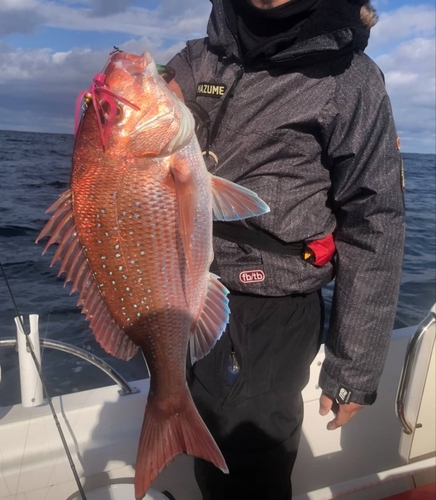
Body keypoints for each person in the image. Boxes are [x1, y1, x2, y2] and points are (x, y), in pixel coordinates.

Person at [168, 0, 405, 498]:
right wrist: (104, 107)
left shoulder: (349, 78)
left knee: (246, 472)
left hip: (269, 311)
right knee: (205, 460)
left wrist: (353, 368)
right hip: (183, 289)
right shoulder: (200, 58)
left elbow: (374, 220)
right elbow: (138, 108)